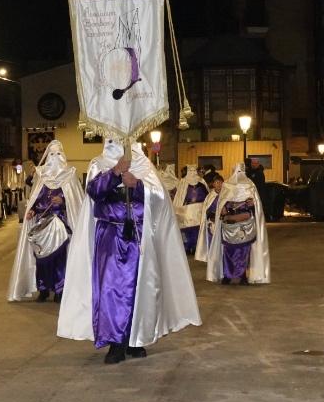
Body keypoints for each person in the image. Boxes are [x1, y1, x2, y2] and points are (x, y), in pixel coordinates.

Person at [57, 140, 201, 364]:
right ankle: (116, 341)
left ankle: (136, 339)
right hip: (110, 236)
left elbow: (160, 197)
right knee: (111, 289)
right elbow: (93, 191)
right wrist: (115, 172)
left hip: (140, 236)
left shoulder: (143, 163)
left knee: (141, 287)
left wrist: (137, 184)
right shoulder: (99, 163)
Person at [8, 141, 83, 303]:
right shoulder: (41, 175)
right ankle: (43, 289)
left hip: (59, 224)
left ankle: (59, 289)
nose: (55, 158)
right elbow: (36, 197)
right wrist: (32, 210)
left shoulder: (69, 175)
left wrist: (63, 200)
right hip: (42, 224)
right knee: (41, 258)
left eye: (58, 154)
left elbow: (75, 201)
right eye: (52, 154)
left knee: (59, 258)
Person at [206, 163, 270, 286]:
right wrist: (223, 209)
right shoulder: (227, 185)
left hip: (245, 224)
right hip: (229, 226)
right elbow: (222, 201)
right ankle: (227, 275)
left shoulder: (250, 185)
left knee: (244, 252)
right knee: (228, 251)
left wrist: (253, 204)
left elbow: (256, 204)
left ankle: (242, 276)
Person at [173, 164, 209, 255]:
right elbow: (180, 197)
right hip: (187, 210)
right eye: (190, 171)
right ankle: (187, 247)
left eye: (194, 171)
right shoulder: (183, 182)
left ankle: (197, 247)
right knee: (187, 229)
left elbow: (207, 195)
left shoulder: (201, 182)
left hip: (199, 210)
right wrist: (178, 208)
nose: (192, 173)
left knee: (198, 229)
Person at [194, 171, 224, 262]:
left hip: (223, 224)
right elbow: (205, 210)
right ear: (213, 184)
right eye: (217, 182)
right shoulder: (210, 196)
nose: (219, 185)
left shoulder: (226, 195)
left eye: (220, 182)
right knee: (212, 242)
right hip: (213, 223)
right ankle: (213, 260)